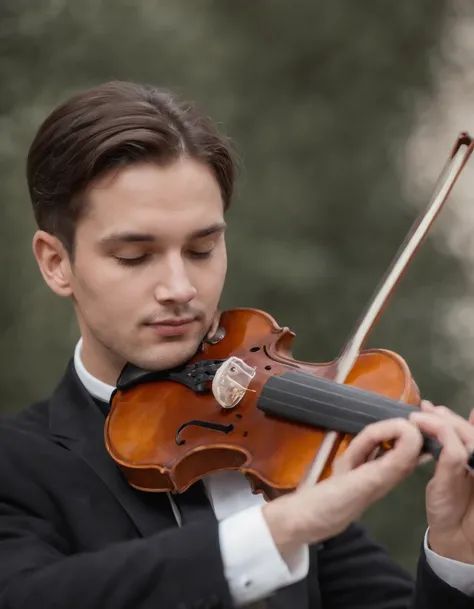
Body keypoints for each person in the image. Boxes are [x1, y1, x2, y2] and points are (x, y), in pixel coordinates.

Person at [0, 81, 473, 609]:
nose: (180, 288)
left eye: (202, 249)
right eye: (134, 256)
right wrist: (280, 529)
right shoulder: (16, 467)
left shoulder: (280, 460)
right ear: (55, 263)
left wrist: (456, 552)